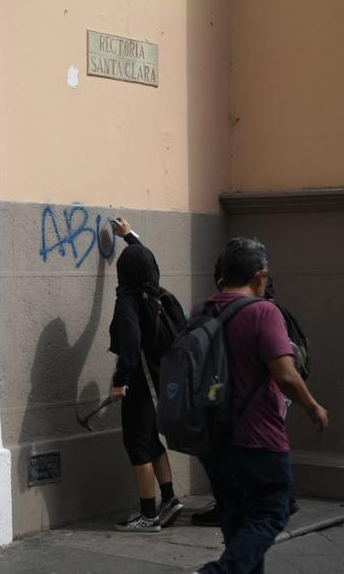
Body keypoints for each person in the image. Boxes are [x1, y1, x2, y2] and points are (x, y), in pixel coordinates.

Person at [196, 237, 328, 574]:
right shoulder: (263, 311)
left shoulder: (204, 309)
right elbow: (285, 374)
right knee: (271, 514)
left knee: (237, 523)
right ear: (260, 276)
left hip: (215, 439)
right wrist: (313, 406)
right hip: (258, 437)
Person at [108, 217, 183, 532]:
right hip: (160, 380)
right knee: (152, 440)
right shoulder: (156, 293)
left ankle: (148, 514)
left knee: (137, 444)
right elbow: (145, 262)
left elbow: (130, 345)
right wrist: (130, 237)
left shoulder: (128, 302)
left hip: (138, 384)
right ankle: (169, 500)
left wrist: (119, 382)